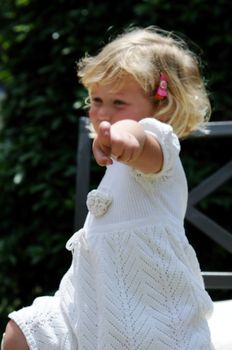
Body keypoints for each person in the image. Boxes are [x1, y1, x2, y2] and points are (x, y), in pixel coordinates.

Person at [3, 26, 214, 350]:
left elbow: (141, 135)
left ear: (162, 106)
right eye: (97, 100)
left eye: (119, 102)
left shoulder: (157, 145)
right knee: (20, 334)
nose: (103, 113)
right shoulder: (117, 160)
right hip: (90, 297)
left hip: (146, 306)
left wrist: (126, 137)